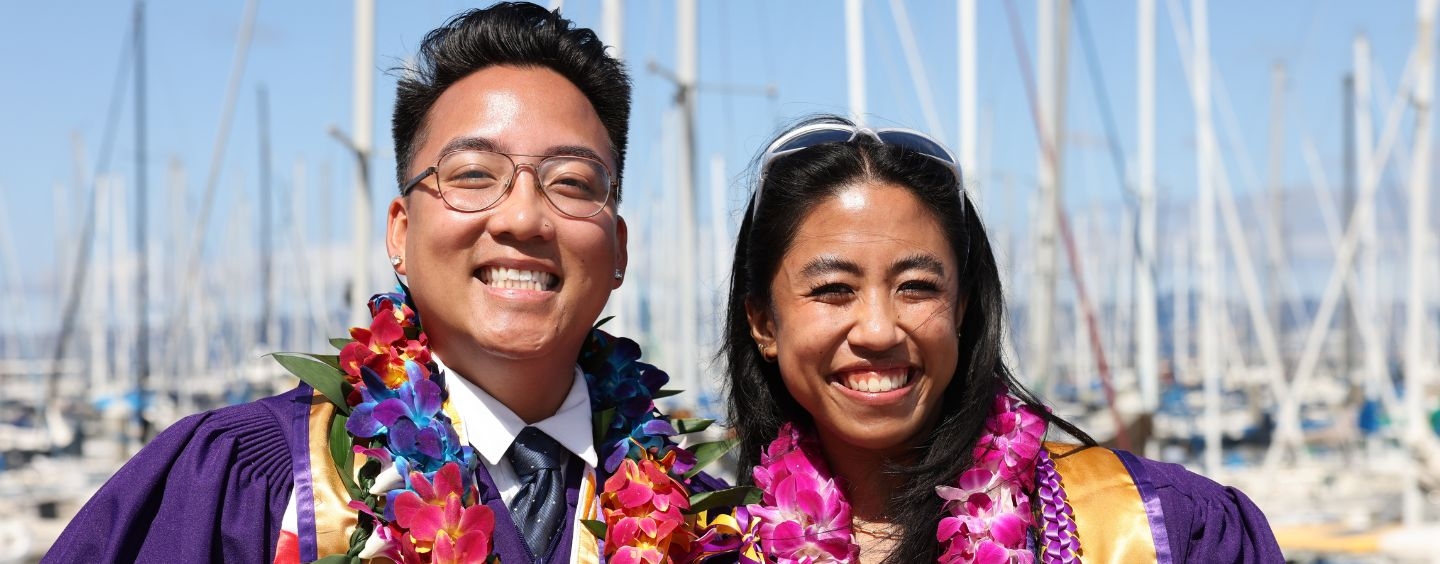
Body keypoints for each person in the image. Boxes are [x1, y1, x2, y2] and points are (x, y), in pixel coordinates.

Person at [45, 4, 723, 563]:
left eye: (572, 183)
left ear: (618, 250)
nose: (522, 217)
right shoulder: (246, 485)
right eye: (473, 176)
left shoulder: (702, 524)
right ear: (400, 233)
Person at [718, 116, 1283, 563]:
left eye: (916, 287)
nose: (877, 329)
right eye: (834, 289)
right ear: (764, 323)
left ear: (962, 308)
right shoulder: (703, 545)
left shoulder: (1162, 528)